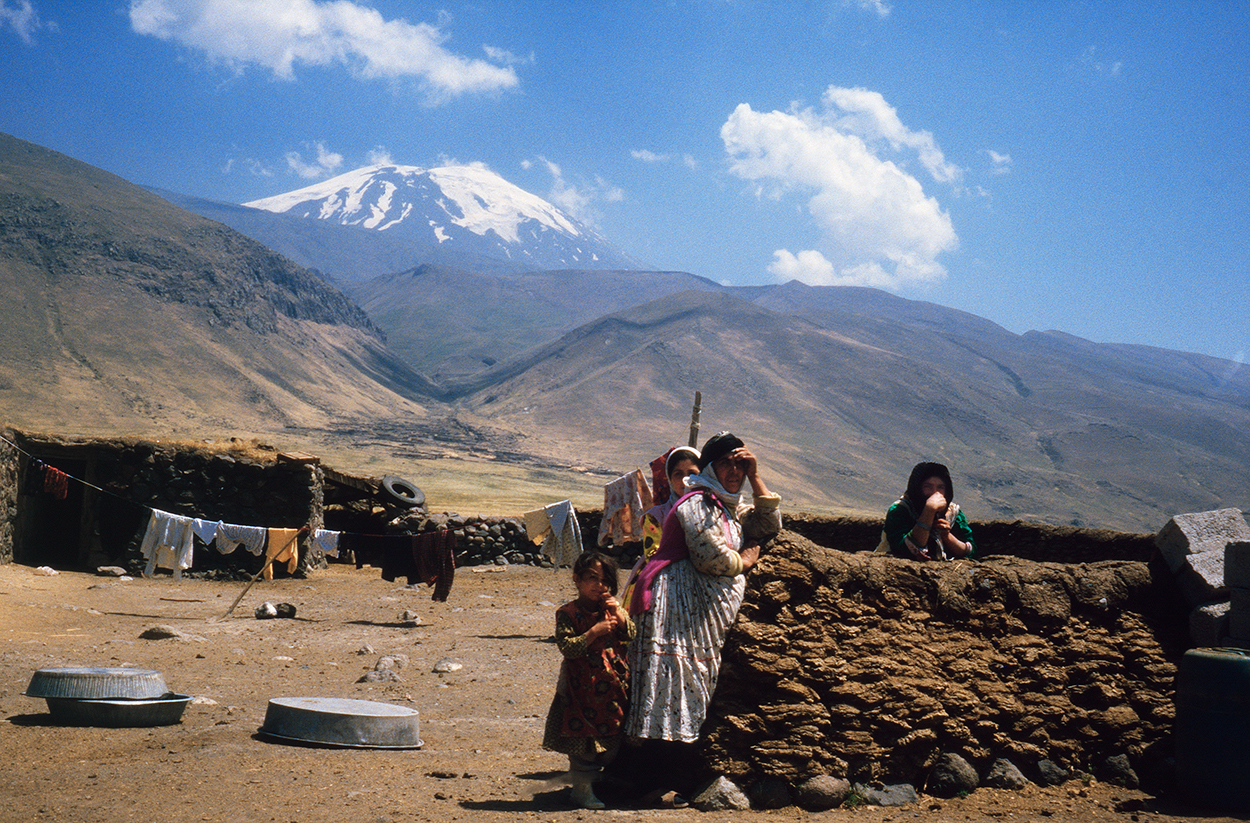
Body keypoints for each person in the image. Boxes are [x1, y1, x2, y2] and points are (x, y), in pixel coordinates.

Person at [623, 431, 781, 802]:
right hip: (672, 608)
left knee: (685, 688)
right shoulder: (697, 503)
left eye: (740, 465)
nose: (734, 471)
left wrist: (757, 477)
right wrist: (743, 560)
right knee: (669, 687)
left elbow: (768, 526)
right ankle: (652, 783)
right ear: (709, 467)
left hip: (694, 614)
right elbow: (711, 558)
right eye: (725, 463)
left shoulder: (725, 506)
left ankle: (664, 781)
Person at [542, 551, 635, 810]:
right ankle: (581, 791)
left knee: (613, 735)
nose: (599, 585)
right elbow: (567, 647)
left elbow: (631, 635)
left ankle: (599, 784)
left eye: (605, 580)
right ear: (576, 580)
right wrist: (593, 633)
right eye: (592, 578)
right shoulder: (568, 613)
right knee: (584, 741)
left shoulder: (612, 610)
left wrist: (619, 614)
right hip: (581, 689)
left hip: (614, 688)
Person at [881, 461, 975, 560]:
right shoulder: (900, 510)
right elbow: (904, 549)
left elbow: (970, 552)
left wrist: (946, 536)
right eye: (928, 487)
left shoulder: (953, 513)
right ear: (917, 488)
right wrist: (929, 510)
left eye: (940, 487)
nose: (935, 493)